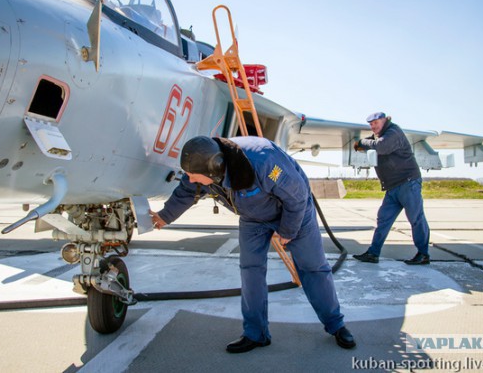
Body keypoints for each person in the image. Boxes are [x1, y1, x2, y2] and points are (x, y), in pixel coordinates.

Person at [151, 135, 356, 353]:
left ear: (216, 169)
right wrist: (165, 216)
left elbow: (296, 197)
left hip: (294, 213)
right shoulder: (201, 163)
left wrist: (287, 231)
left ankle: (336, 325)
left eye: (194, 177)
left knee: (312, 267)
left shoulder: (263, 162)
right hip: (252, 218)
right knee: (250, 270)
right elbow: (185, 190)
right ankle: (255, 334)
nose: (190, 180)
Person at [352, 112, 431, 265]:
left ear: (384, 120)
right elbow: (375, 142)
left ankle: (423, 254)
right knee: (383, 219)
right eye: (371, 124)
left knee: (416, 218)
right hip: (393, 187)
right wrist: (363, 143)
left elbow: (382, 146)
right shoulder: (380, 135)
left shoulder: (394, 132)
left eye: (375, 123)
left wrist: (362, 142)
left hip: (408, 183)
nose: (372, 127)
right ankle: (373, 253)